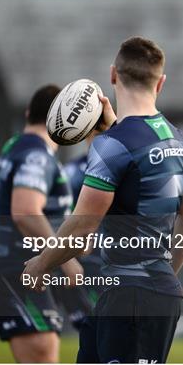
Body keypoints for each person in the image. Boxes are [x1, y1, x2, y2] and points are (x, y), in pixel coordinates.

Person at [22, 36, 183, 363]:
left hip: (127, 296)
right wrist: (164, 271)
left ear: (113, 75)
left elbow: (81, 228)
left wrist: (40, 263)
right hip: (146, 292)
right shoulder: (180, 141)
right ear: (161, 82)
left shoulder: (111, 145)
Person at [0, 84, 81, 362]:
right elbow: (26, 211)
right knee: (42, 354)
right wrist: (65, 259)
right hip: (18, 266)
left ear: (28, 113)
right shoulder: (37, 154)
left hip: (21, 266)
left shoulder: (18, 146)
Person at [52, 131, 105, 331]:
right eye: (94, 133)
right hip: (84, 263)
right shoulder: (71, 172)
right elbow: (58, 215)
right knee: (94, 329)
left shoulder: (126, 167)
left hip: (117, 262)